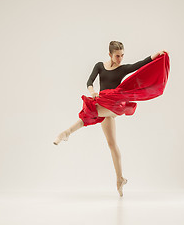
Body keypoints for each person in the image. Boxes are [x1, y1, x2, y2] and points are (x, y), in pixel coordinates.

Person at [53, 41, 169, 196]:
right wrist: (92, 91)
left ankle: (66, 132)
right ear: (110, 54)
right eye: (117, 56)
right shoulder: (100, 66)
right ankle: (120, 178)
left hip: (115, 104)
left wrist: (156, 55)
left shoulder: (122, 69)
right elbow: (89, 81)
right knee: (112, 144)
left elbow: (140, 64)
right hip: (102, 103)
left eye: (122, 55)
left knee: (90, 112)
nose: (120, 59)